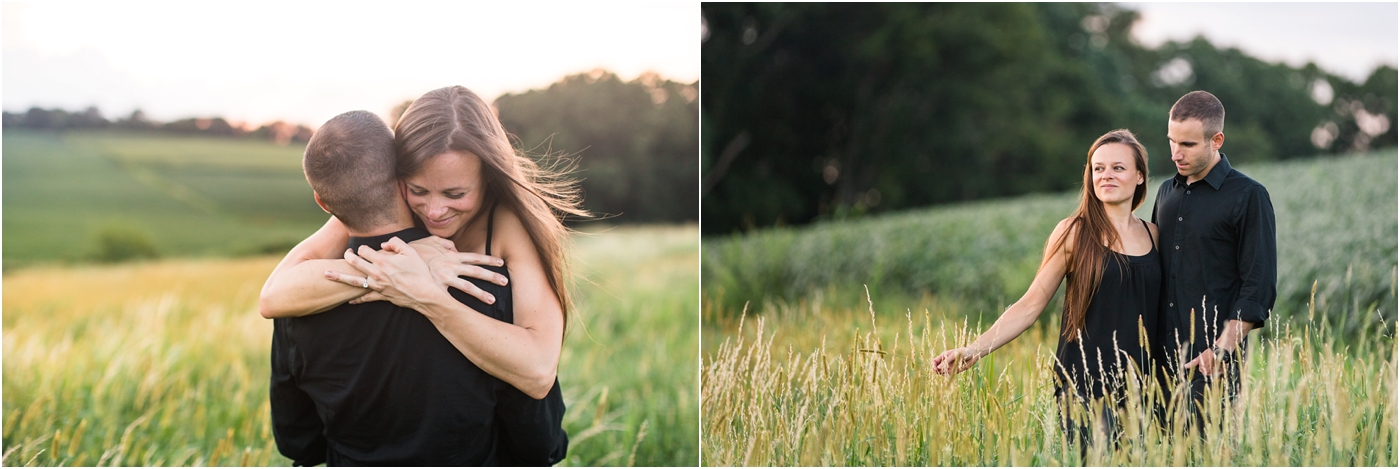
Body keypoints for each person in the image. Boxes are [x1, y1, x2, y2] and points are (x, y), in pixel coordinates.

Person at [265, 91, 579, 465]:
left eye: (455, 193)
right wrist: (391, 268)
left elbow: (539, 370)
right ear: (396, 181)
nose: (434, 210)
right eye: (418, 190)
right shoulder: (385, 200)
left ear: (488, 178)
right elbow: (274, 296)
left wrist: (426, 295)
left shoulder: (509, 227)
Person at [931, 129, 1160, 454]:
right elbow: (1030, 304)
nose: (1106, 175)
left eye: (1118, 168)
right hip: (1084, 385)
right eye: (1098, 168)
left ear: (1139, 176)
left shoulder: (1154, 235)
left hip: (1143, 385)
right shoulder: (1074, 232)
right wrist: (971, 351)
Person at [1151, 90, 1276, 432]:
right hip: (1158, 360)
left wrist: (1220, 351)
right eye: (1172, 141)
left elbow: (1258, 287)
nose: (1176, 152)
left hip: (1213, 363)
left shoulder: (1249, 196)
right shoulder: (1165, 193)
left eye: (1188, 145)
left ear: (1216, 139)